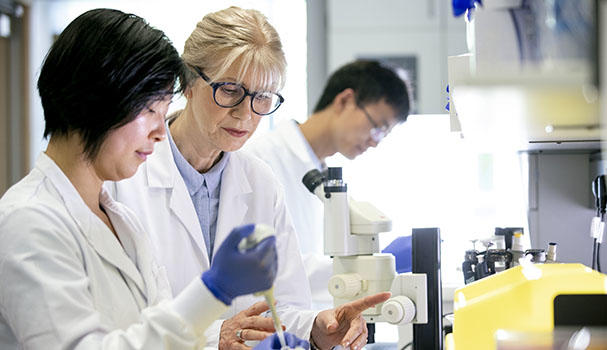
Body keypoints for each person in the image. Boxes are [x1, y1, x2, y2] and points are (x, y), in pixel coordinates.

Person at [0, 8, 304, 349]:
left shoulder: (121, 220)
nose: (161, 131)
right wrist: (214, 290)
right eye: (149, 111)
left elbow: (162, 335)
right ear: (95, 102)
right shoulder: (27, 221)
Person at [109, 7, 391, 350]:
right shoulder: (126, 177)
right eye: (230, 90)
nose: (246, 114)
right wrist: (218, 337)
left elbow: (285, 306)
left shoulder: (260, 182)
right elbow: (121, 319)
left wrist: (317, 328)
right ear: (189, 82)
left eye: (262, 98)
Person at [245, 60, 411, 306]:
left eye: (383, 136)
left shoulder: (323, 173)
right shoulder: (262, 160)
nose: (375, 142)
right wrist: (367, 270)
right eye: (377, 127)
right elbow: (262, 266)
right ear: (345, 100)